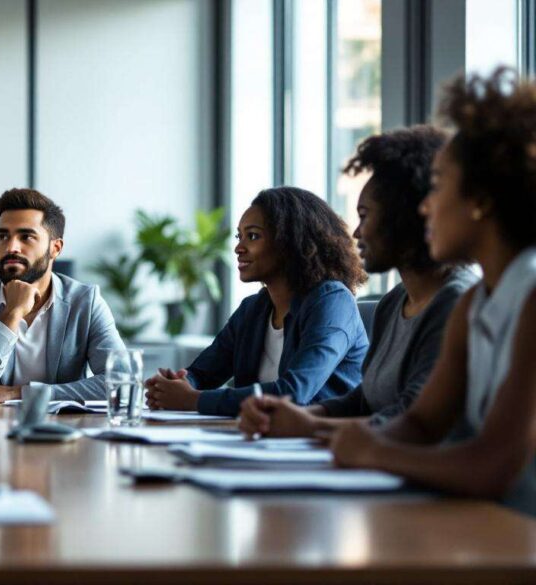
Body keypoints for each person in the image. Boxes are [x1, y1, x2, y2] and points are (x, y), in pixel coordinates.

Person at [328, 68, 536, 515]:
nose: (425, 205)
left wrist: (374, 452)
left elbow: (494, 464)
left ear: (480, 199)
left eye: (439, 185)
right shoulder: (477, 304)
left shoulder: (531, 297)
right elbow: (422, 423)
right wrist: (352, 439)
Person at [238, 127, 477, 437]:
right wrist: (296, 416)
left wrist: (311, 425)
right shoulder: (394, 303)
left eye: (365, 216)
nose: (355, 233)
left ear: (404, 218)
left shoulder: (455, 301)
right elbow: (364, 400)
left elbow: (414, 418)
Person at [145, 187, 369, 417]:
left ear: (289, 241)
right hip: (261, 441)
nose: (238, 248)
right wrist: (178, 384)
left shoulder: (332, 301)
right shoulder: (252, 309)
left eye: (252, 236)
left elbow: (293, 393)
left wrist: (193, 399)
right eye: (238, 236)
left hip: (323, 443)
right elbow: (203, 374)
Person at [0, 188, 126, 405]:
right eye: (3, 236)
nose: (11, 247)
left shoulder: (86, 301)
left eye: (26, 237)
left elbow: (122, 384)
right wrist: (11, 314)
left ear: (55, 248)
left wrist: (20, 393)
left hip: (64, 432)